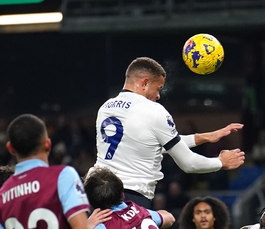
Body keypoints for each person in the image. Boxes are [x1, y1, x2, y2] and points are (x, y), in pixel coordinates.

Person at [90, 57, 245, 209]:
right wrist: (221, 162)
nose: (158, 95)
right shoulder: (153, 110)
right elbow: (189, 163)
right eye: (158, 88)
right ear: (145, 82)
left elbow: (149, 144)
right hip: (130, 198)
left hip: (96, 193)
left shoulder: (106, 107)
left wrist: (205, 137)